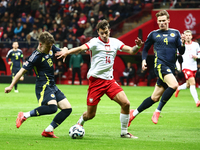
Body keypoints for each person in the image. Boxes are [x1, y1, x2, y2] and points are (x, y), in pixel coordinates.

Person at [56, 19, 143, 139]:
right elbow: (81, 48)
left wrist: (137, 46)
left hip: (109, 81)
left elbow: (132, 51)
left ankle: (124, 132)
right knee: (91, 115)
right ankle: (80, 122)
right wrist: (67, 52)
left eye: (106, 32)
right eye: (101, 33)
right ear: (98, 32)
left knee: (126, 103)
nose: (104, 35)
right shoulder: (94, 42)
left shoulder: (115, 42)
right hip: (96, 81)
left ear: (109, 30)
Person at [5, 31, 72, 138]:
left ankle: (48, 130)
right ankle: (24, 115)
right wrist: (11, 86)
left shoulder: (50, 46)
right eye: (48, 47)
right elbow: (21, 71)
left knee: (67, 109)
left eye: (51, 46)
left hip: (52, 85)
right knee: (53, 108)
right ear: (41, 44)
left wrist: (65, 50)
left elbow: (61, 51)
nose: (50, 49)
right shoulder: (35, 57)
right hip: (43, 85)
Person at [128, 10, 185, 126]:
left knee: (154, 98)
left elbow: (181, 51)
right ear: (157, 22)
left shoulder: (176, 33)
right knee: (174, 85)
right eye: (159, 21)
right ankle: (157, 111)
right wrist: (143, 60)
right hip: (160, 66)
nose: (162, 23)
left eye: (164, 20)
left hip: (170, 68)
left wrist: (183, 43)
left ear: (168, 20)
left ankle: (133, 114)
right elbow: (144, 49)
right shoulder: (153, 34)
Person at [175, 30, 200, 107]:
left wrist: (197, 56)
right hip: (186, 67)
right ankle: (197, 101)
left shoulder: (196, 45)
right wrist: (178, 67)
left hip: (194, 67)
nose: (188, 37)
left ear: (191, 36)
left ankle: (179, 88)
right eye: (187, 35)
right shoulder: (181, 45)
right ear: (184, 37)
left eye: (189, 35)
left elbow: (199, 54)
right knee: (193, 83)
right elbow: (177, 57)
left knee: (189, 85)